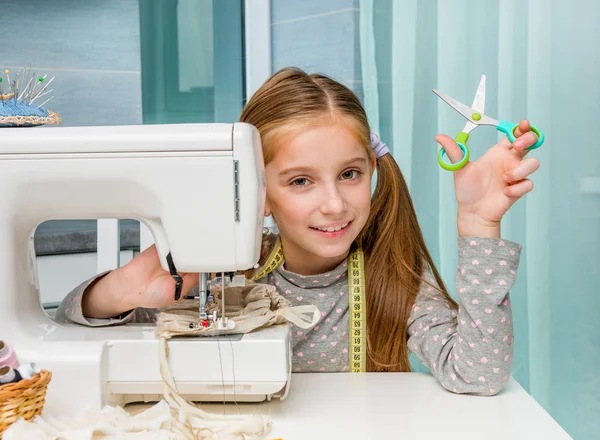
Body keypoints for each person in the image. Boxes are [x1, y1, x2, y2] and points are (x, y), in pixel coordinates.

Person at [56, 67, 540, 396]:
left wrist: (479, 224)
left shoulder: (394, 282)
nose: (334, 203)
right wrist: (122, 290)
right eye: (301, 181)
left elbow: (479, 376)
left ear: (372, 169)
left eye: (349, 174)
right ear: (260, 191)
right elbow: (69, 320)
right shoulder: (219, 269)